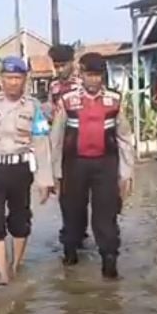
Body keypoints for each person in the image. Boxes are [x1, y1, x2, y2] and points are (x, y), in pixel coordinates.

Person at [0, 56, 53, 285]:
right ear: (0, 79)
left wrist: (45, 180)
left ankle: (16, 265)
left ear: (25, 79)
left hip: (21, 169)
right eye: (8, 77)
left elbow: (42, 144)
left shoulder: (34, 108)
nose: (13, 82)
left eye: (17, 78)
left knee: (20, 220)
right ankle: (3, 272)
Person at [50, 52, 134, 279]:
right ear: (82, 73)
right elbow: (56, 140)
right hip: (74, 165)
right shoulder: (67, 100)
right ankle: (70, 254)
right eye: (90, 74)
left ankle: (109, 261)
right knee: (73, 211)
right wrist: (54, 174)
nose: (94, 80)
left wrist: (126, 173)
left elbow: (124, 138)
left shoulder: (114, 101)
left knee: (106, 214)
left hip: (105, 165)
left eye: (98, 75)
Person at [47, 44, 89, 248]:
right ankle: (70, 228)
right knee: (63, 190)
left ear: (72, 63)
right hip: (60, 146)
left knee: (81, 192)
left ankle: (80, 230)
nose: (59, 69)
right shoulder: (53, 86)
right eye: (56, 65)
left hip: (82, 144)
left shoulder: (83, 84)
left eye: (62, 65)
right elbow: (51, 112)